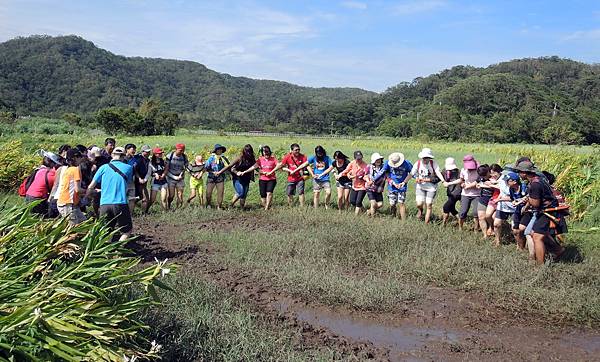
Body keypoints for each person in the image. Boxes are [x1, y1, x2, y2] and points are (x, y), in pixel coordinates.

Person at [515, 161, 565, 265]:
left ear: (524, 172)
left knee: (537, 236)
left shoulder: (535, 184)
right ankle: (558, 250)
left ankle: (540, 265)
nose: (519, 174)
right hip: (545, 211)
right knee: (535, 233)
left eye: (519, 172)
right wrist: (528, 200)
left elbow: (536, 203)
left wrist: (527, 201)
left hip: (548, 211)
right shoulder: (538, 179)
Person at [86, 147, 134, 242]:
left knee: (107, 232)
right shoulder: (129, 168)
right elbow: (128, 185)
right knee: (127, 231)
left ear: (112, 155)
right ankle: (118, 249)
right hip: (121, 203)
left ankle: (107, 252)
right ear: (124, 156)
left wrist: (89, 196)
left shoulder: (103, 168)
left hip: (104, 204)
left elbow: (91, 187)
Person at [374, 152, 413, 220]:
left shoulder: (407, 163)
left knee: (401, 203)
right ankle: (393, 217)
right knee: (392, 204)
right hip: (391, 186)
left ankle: (404, 221)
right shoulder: (388, 163)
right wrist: (373, 180)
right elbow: (382, 172)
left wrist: (404, 182)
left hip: (402, 186)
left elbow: (412, 173)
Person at [411, 148, 445, 224]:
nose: (425, 159)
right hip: (420, 186)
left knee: (429, 204)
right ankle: (420, 210)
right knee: (419, 204)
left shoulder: (433, 163)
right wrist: (414, 179)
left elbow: (438, 173)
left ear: (430, 158)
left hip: (431, 187)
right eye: (424, 158)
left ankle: (426, 222)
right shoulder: (418, 163)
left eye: (427, 158)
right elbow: (412, 173)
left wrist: (443, 181)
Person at [25, 150, 61, 216]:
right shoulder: (52, 175)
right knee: (44, 217)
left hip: (28, 196)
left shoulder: (40, 170)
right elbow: (56, 190)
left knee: (34, 217)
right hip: (38, 198)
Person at [219, 144, 256, 209]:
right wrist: (220, 172)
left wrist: (262, 171)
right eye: (247, 151)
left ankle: (242, 208)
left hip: (247, 178)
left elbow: (256, 166)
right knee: (240, 192)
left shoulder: (252, 158)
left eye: (250, 151)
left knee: (244, 194)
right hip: (237, 178)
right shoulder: (239, 158)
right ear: (244, 151)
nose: (248, 153)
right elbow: (230, 167)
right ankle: (231, 205)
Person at [56, 148, 86, 226]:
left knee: (83, 223)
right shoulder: (75, 170)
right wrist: (89, 191)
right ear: (75, 158)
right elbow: (77, 189)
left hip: (67, 203)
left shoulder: (68, 169)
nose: (81, 158)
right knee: (73, 229)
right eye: (80, 157)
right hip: (68, 204)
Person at [493, 171, 522, 247]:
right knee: (496, 224)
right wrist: (498, 199)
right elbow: (501, 192)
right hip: (502, 206)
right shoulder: (503, 182)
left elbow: (514, 198)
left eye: (508, 180)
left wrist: (500, 199)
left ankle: (519, 245)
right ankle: (498, 242)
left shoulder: (519, 188)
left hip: (514, 208)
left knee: (514, 228)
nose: (505, 181)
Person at [451, 154, 480, 231]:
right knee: (463, 212)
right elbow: (461, 180)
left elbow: (479, 181)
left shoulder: (478, 170)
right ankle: (460, 228)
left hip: (477, 194)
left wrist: (470, 186)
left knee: (476, 213)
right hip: (465, 194)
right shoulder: (463, 170)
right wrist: (462, 184)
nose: (470, 169)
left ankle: (476, 229)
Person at [339, 151, 369, 215]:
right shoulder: (352, 163)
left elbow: (364, 175)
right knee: (352, 201)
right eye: (357, 158)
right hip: (354, 186)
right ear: (355, 158)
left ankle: (355, 216)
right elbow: (347, 170)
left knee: (358, 202)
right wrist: (345, 175)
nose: (359, 160)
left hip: (362, 186)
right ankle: (364, 211)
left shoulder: (365, 165)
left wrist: (355, 176)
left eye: (360, 158)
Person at [164, 143, 189, 209]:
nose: (182, 152)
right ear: (176, 149)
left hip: (180, 178)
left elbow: (186, 166)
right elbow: (166, 170)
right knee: (171, 195)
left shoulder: (184, 156)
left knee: (180, 195)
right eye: (180, 150)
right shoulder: (170, 156)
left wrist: (182, 174)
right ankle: (169, 205)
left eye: (183, 150)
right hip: (171, 178)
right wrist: (174, 177)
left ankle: (178, 208)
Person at [205, 144, 229, 209]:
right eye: (218, 149)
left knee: (220, 193)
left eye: (221, 149)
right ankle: (208, 204)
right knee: (208, 193)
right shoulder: (211, 158)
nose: (220, 150)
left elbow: (228, 166)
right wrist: (212, 172)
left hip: (220, 178)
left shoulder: (223, 158)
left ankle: (219, 206)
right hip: (211, 177)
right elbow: (206, 168)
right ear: (216, 150)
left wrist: (220, 172)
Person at [256, 145, 278, 210]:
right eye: (264, 151)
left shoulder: (273, 159)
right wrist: (262, 172)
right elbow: (256, 168)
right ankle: (266, 206)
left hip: (272, 179)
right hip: (262, 179)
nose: (266, 153)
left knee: (269, 192)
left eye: (267, 151)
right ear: (262, 153)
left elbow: (279, 165)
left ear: (269, 152)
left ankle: (266, 208)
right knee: (263, 195)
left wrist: (271, 172)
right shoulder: (260, 159)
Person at [441, 157, 461, 226]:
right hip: (450, 193)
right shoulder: (445, 171)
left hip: (457, 193)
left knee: (446, 207)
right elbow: (438, 178)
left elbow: (461, 180)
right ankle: (459, 220)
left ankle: (444, 224)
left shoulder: (459, 172)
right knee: (452, 208)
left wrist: (448, 184)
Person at [475, 164, 493, 238]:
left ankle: (491, 228)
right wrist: (477, 185)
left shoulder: (494, 177)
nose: (484, 177)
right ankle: (485, 235)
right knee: (481, 217)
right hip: (483, 198)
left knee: (490, 216)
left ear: (489, 172)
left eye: (485, 175)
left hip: (492, 199)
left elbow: (497, 187)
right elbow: (477, 183)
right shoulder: (481, 176)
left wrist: (484, 185)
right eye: (482, 176)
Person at [124, 144, 139, 213]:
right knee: (123, 198)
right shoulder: (122, 159)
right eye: (133, 150)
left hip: (131, 181)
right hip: (123, 181)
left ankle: (131, 214)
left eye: (135, 150)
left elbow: (135, 171)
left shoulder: (134, 159)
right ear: (127, 150)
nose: (134, 151)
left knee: (132, 198)